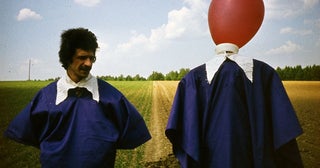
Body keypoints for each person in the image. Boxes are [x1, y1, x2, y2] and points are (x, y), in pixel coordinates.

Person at [4, 27, 151, 167]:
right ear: (67, 58)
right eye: (82, 57)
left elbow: (132, 133)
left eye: (91, 58)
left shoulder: (111, 97)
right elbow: (27, 132)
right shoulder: (45, 97)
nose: (88, 63)